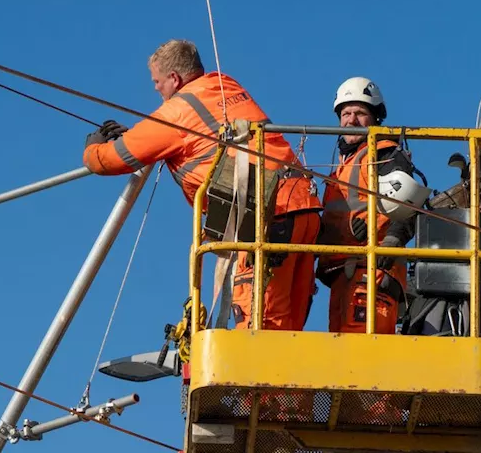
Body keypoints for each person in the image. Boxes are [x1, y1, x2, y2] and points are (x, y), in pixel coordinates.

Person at [83, 39, 321, 331]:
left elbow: (109, 160)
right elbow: (204, 135)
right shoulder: (225, 85)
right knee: (288, 332)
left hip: (263, 216)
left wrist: (92, 147)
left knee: (260, 328)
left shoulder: (176, 113)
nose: (156, 89)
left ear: (174, 78)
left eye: (157, 81)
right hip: (304, 209)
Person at [316, 77, 427, 334]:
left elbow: (409, 204)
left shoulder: (384, 155)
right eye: (346, 113)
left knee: (361, 363)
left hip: (372, 275)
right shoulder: (343, 167)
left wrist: (391, 243)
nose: (351, 120)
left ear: (376, 118)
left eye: (360, 113)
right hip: (344, 277)